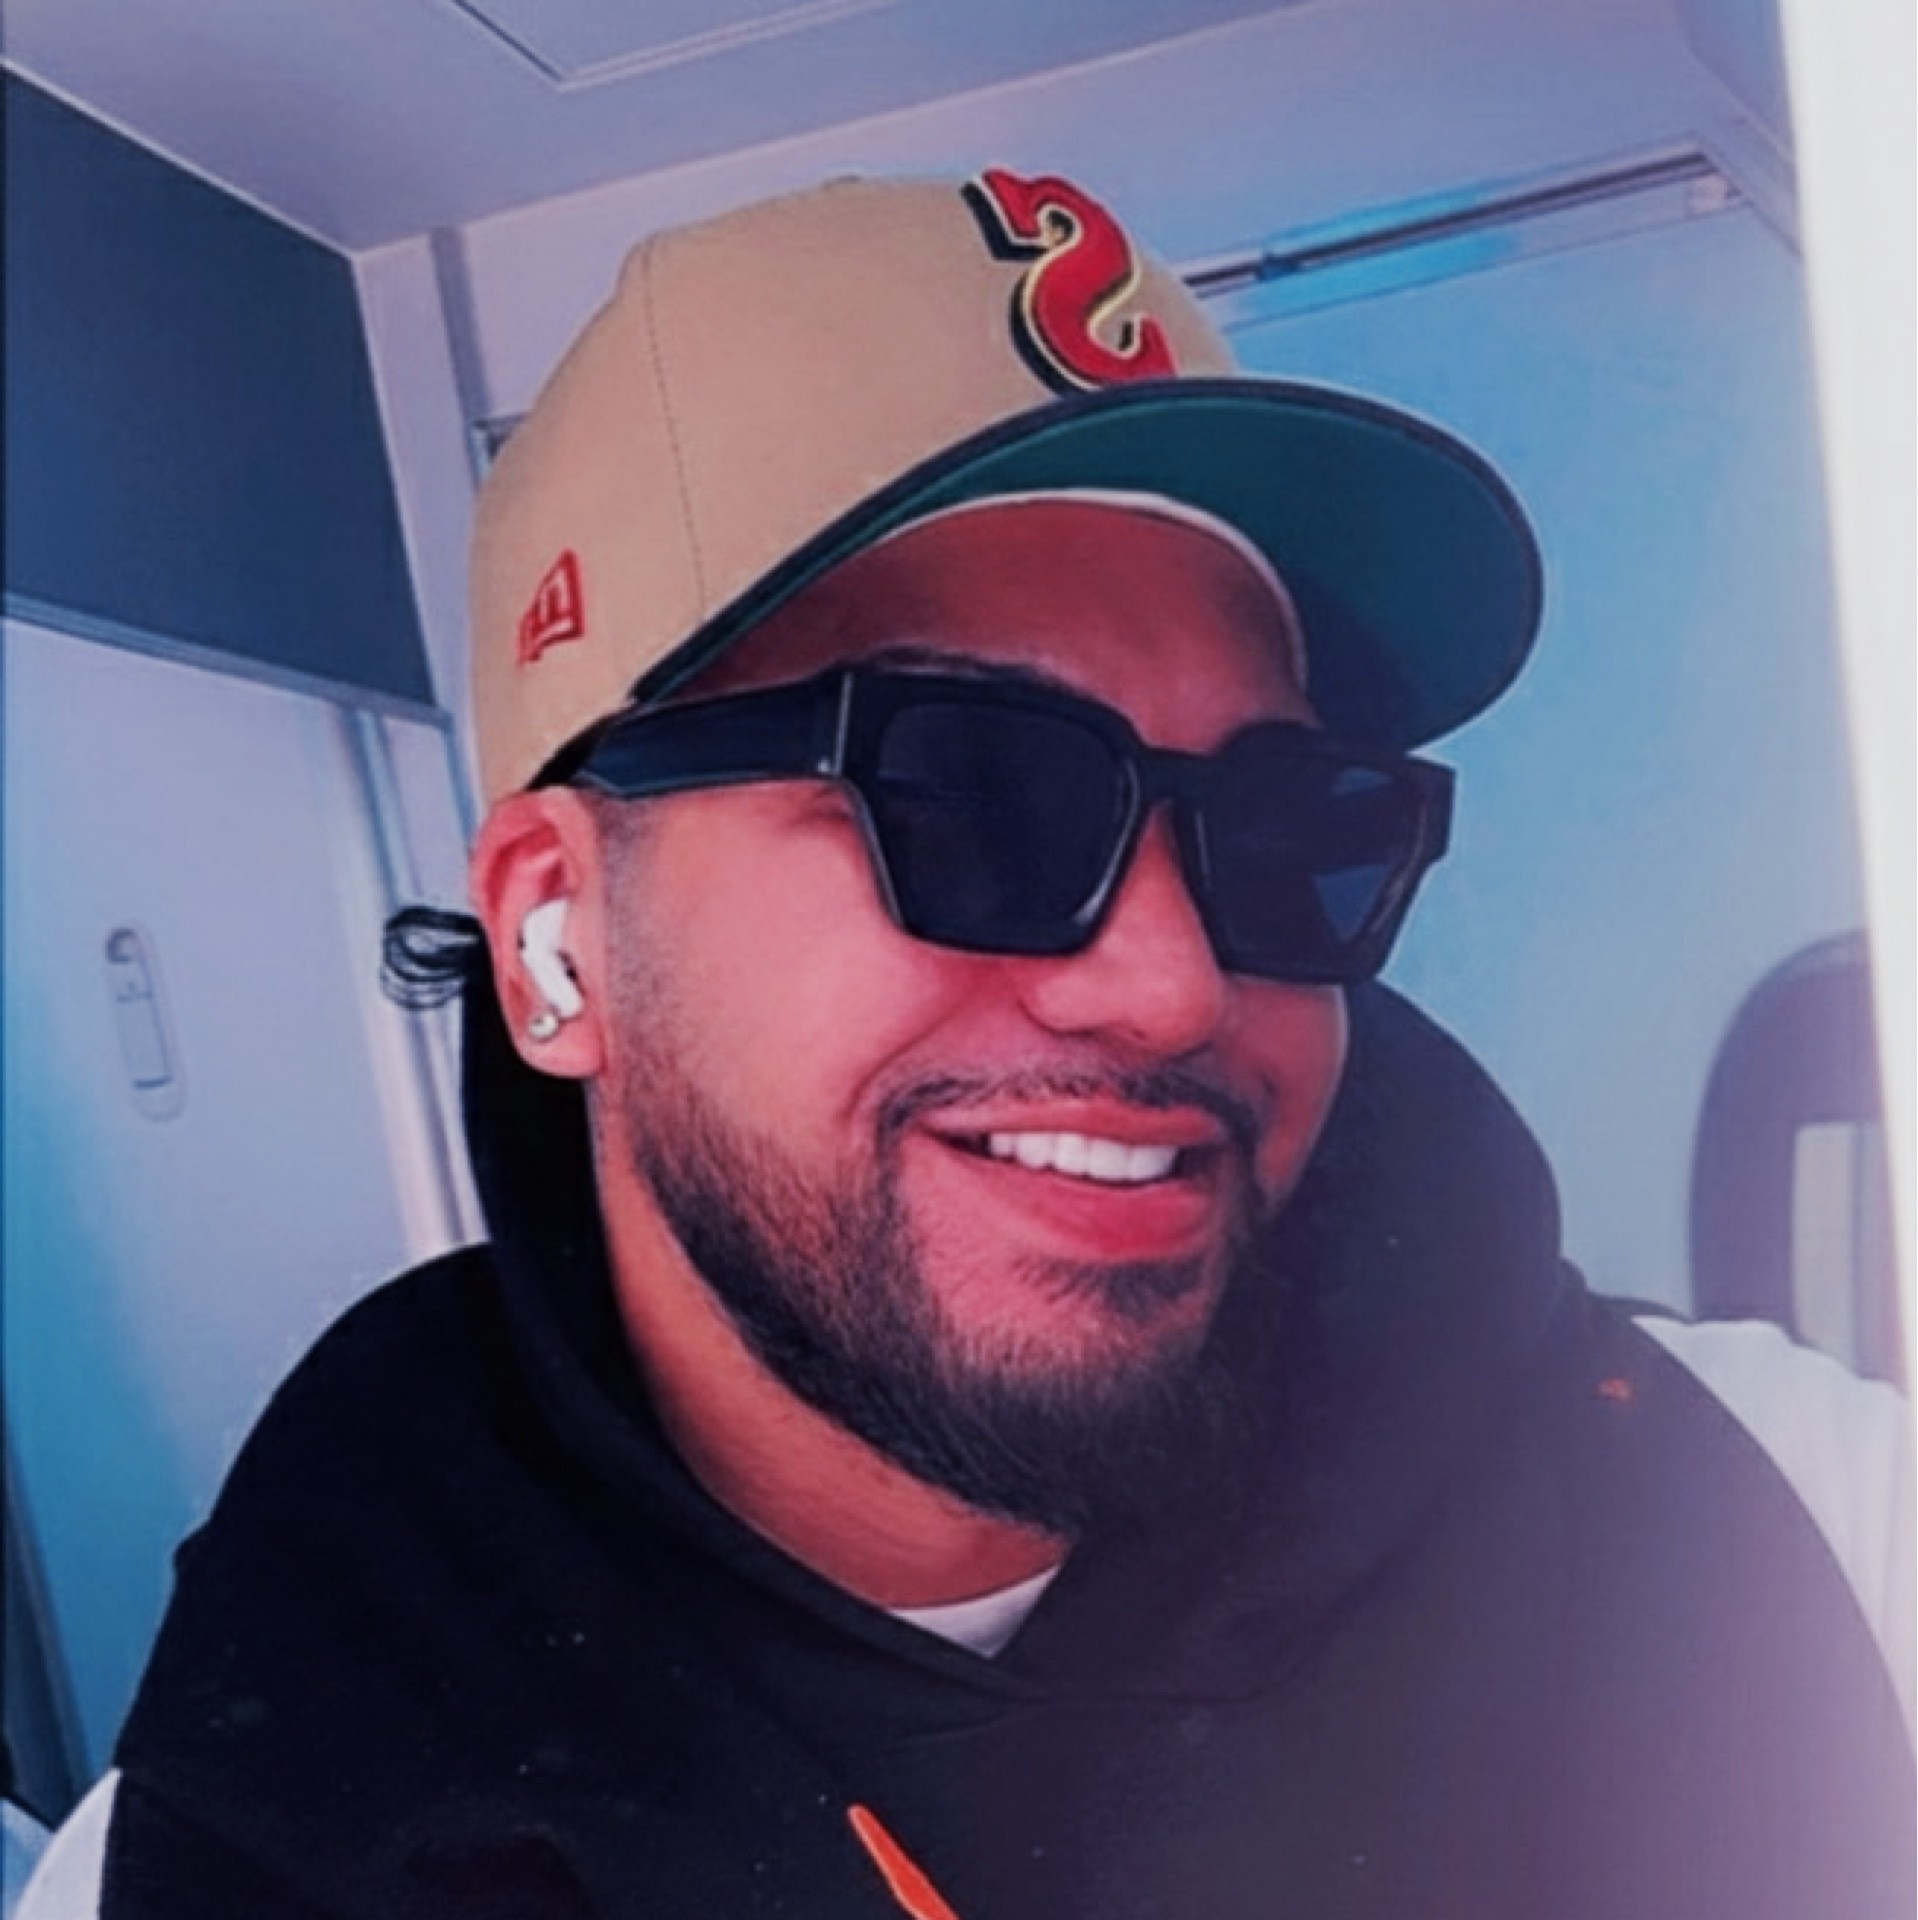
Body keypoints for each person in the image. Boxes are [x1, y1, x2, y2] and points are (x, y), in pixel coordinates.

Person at [25, 170, 1912, 1917]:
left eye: (1288, 829)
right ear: (552, 935)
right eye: (966, 794)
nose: (1168, 986)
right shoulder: (244, 1850)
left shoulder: (1766, 1530)